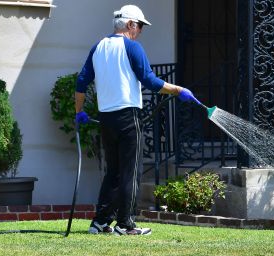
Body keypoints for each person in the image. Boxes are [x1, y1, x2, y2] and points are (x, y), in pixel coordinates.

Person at [75, 4, 200, 235]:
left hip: (106, 118)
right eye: (140, 25)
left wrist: (79, 112)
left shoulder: (98, 47)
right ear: (130, 24)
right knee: (131, 171)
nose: (141, 30)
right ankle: (126, 224)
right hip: (127, 116)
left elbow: (81, 82)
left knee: (113, 171)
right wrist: (178, 89)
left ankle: (100, 222)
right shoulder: (132, 47)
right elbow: (150, 81)